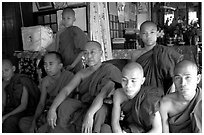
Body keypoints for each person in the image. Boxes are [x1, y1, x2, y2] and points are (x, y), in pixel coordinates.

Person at [47, 41, 122, 133]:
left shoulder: (109, 70)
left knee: (100, 110)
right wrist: (52, 108)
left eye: (92, 52)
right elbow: (66, 90)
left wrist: (89, 115)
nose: (89, 56)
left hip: (103, 104)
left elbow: (103, 94)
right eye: (85, 53)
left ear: (101, 53)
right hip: (86, 103)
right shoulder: (82, 73)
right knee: (65, 105)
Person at [18, 51, 74, 133]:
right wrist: (34, 121)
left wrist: (53, 111)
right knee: (23, 122)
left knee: (45, 128)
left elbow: (68, 99)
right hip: (47, 111)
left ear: (60, 66)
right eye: (45, 64)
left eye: (51, 64)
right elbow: (41, 103)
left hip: (62, 112)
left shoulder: (69, 76)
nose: (47, 67)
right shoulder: (45, 81)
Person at [100, 62, 164, 133]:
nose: (128, 85)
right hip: (127, 129)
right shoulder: (118, 94)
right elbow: (115, 123)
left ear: (142, 81)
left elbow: (158, 129)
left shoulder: (150, 98)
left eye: (133, 81)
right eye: (124, 80)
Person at [131, 21, 183, 94]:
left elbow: (174, 75)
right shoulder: (136, 54)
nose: (148, 36)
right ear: (140, 35)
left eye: (152, 32)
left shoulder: (166, 53)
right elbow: (131, 75)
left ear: (157, 33)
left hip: (164, 93)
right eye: (144, 33)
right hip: (142, 93)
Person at [159, 60, 202, 133]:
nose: (183, 83)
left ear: (198, 79)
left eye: (188, 77)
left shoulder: (201, 100)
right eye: (178, 78)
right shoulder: (165, 103)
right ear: (173, 80)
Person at [2, 59, 40, 133]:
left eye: (6, 70)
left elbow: (23, 106)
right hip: (10, 109)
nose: (4, 74)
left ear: (13, 69)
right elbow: (2, 103)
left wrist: (5, 117)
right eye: (1, 72)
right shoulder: (3, 84)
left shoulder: (22, 80)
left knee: (9, 121)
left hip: (25, 111)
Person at [57, 7, 89, 73]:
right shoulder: (61, 33)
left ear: (74, 19)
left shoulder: (76, 31)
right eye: (63, 18)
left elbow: (83, 50)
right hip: (64, 66)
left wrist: (72, 65)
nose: (66, 21)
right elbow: (58, 50)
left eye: (68, 18)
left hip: (75, 65)